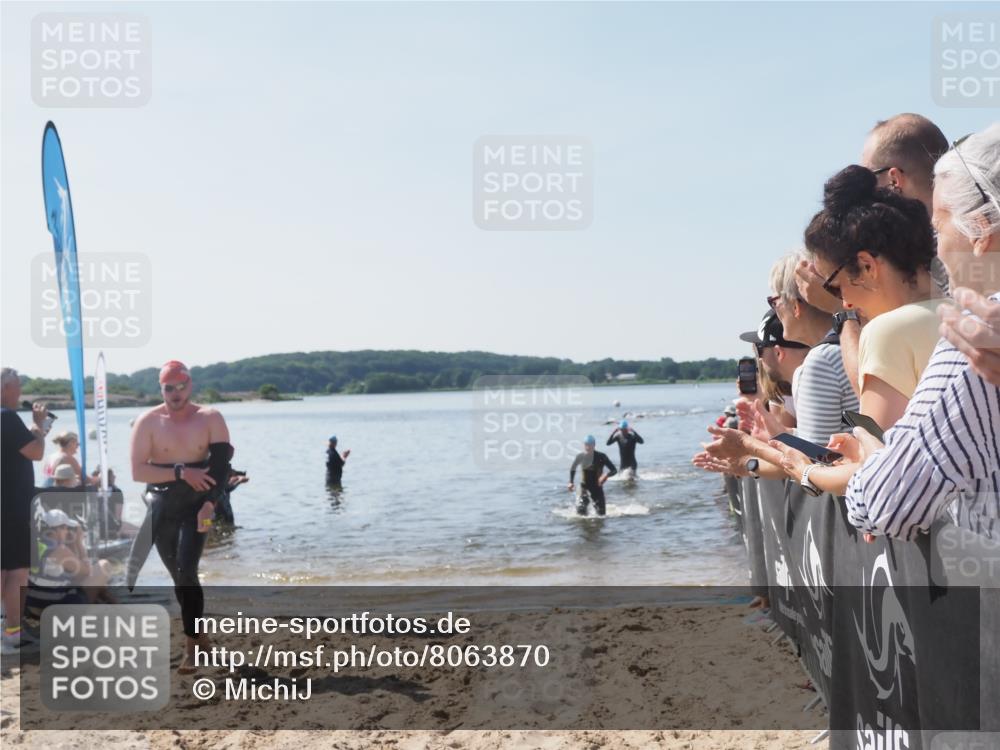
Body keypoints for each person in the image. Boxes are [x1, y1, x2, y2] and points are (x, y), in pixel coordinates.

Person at [773, 123, 1000, 536]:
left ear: (981, 229)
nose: (938, 248)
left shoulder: (971, 340)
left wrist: (864, 454)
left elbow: (885, 502)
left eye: (939, 229)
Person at [795, 114, 951, 393]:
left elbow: (875, 393)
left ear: (893, 179)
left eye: (868, 176)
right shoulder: (966, 244)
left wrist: (842, 311)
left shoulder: (948, 260)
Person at [803, 164, 949, 429]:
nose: (845, 302)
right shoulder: (975, 314)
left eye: (835, 286)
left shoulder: (887, 332)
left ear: (867, 266)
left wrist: (766, 450)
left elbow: (879, 453)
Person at [128, 360, 233, 673]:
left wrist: (210, 505)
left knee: (187, 569)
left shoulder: (210, 417)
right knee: (179, 577)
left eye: (181, 386)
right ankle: (202, 641)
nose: (175, 393)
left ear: (191, 385)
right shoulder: (148, 421)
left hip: (199, 504)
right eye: (169, 388)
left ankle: (191, 648)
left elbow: (221, 468)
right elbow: (138, 472)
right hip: (162, 505)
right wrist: (181, 472)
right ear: (161, 389)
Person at [766, 251, 859, 444]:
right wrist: (788, 434)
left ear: (795, 306)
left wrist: (748, 448)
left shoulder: (821, 362)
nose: (774, 312)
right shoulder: (857, 343)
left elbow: (818, 457)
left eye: (774, 302)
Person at [1, 369, 50, 653]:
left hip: (8, 505)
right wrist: (39, 426)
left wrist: (36, 433)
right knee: (17, 571)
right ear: (5, 388)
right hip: (13, 507)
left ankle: (10, 630)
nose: (20, 393)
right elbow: (36, 452)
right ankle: (12, 632)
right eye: (17, 387)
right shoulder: (7, 417)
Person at [567, 435, 617, 516]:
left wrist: (606, 475)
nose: (588, 447)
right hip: (584, 489)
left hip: (597, 488)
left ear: (594, 445)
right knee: (580, 516)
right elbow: (573, 468)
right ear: (584, 445)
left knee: (601, 516)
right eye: (586, 445)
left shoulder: (601, 456)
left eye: (590, 445)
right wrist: (571, 482)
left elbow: (614, 470)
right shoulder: (580, 456)